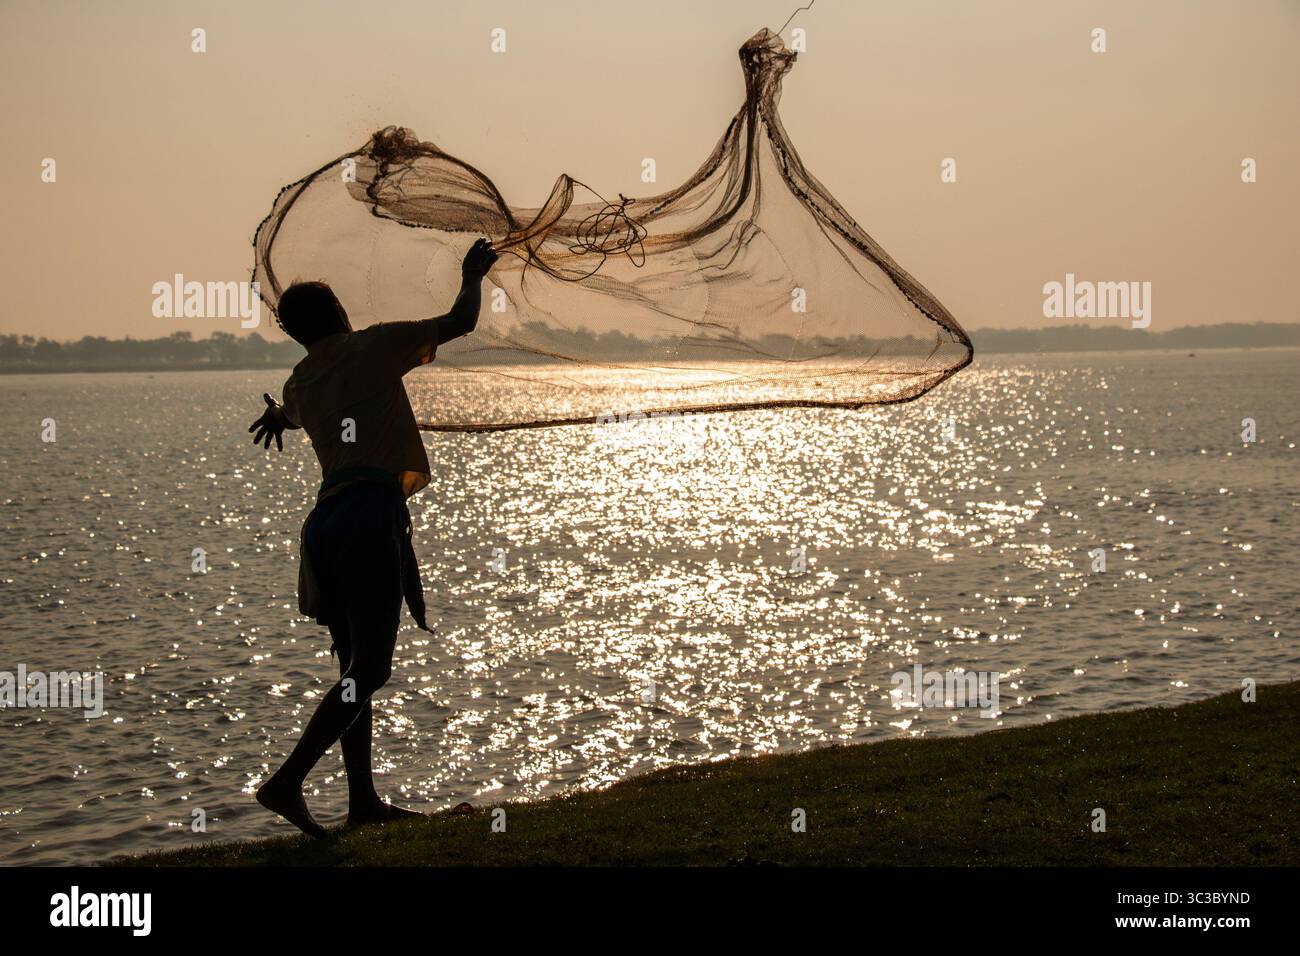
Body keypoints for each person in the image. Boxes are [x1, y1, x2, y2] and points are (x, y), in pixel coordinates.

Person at [247, 238, 498, 837]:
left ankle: (362, 802)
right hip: (365, 517)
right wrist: (471, 275)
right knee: (374, 669)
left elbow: (291, 414)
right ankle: (287, 781)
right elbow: (461, 320)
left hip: (327, 525)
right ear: (339, 315)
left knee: (353, 668)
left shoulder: (301, 379)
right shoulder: (373, 346)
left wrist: (275, 418)